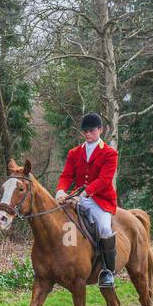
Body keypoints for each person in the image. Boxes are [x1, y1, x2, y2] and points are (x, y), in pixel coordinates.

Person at [56, 112, 119, 288]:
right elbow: (67, 175)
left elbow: (104, 179)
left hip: (100, 200)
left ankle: (108, 271)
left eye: (91, 131)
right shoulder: (74, 153)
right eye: (85, 131)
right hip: (77, 198)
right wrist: (61, 190)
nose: (87, 134)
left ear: (100, 130)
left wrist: (84, 193)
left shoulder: (109, 153)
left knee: (105, 229)